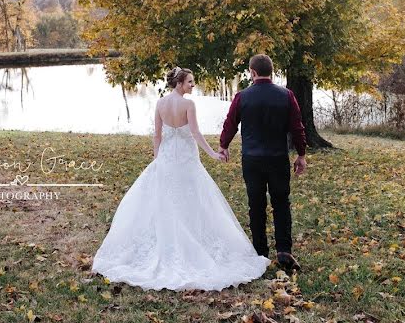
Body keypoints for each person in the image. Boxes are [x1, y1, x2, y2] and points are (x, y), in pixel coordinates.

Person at [91, 66, 271, 291]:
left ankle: (175, 241)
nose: (193, 85)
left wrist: (158, 160)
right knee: (192, 202)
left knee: (167, 203)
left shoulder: (160, 104)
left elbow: (157, 136)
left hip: (167, 160)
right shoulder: (188, 104)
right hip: (186, 161)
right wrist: (213, 154)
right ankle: (189, 244)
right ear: (179, 83)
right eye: (189, 82)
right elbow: (194, 133)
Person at [219, 54, 307, 272]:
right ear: (272, 71)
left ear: (252, 72)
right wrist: (301, 154)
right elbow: (297, 127)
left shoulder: (242, 96)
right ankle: (284, 250)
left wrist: (224, 145)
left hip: (252, 159)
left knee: (256, 204)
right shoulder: (286, 95)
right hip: (278, 158)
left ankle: (260, 251)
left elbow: (230, 123)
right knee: (281, 202)